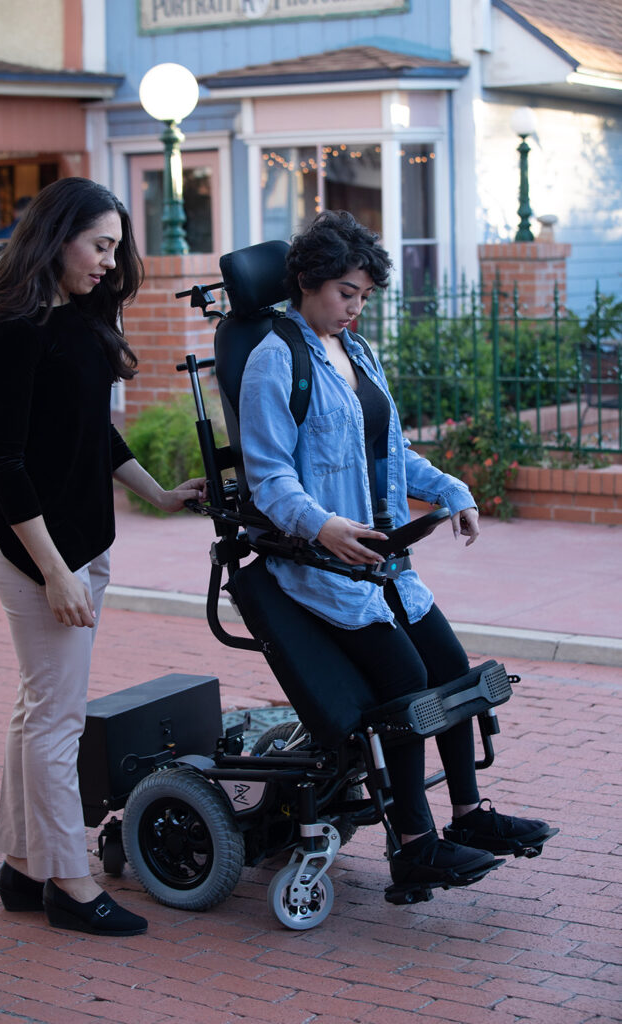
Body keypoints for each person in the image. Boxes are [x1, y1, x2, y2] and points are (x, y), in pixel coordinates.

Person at [239, 210, 553, 902]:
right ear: (306, 281)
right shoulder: (273, 359)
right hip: (320, 571)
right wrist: (320, 526)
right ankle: (413, 847)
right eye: (344, 293)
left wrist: (450, 489)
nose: (354, 307)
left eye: (362, 297)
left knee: (451, 671)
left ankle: (467, 817)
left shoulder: (360, 354)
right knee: (409, 691)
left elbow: (390, 455)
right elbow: (268, 477)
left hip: (385, 567)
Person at [0, 177, 206, 936]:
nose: (110, 262)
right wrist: (56, 570)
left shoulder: (82, 318)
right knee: (57, 718)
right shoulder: (13, 328)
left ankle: (22, 864)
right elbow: (3, 464)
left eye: (115, 249)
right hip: (34, 549)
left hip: (82, 543)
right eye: (100, 245)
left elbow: (93, 435)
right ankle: (67, 882)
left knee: (40, 708)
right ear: (57, 235)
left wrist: (159, 495)